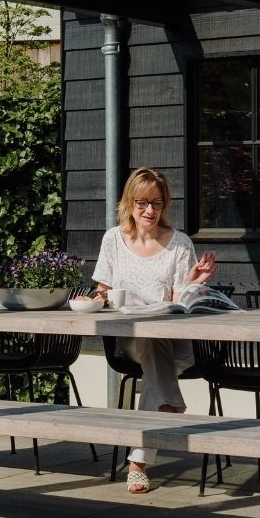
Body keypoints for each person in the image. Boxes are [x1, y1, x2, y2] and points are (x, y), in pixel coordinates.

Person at [92, 167, 216, 494]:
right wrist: (99, 298)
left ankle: (151, 438)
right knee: (149, 340)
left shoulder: (179, 244)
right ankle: (160, 422)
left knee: (157, 342)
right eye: (143, 202)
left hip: (174, 343)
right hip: (130, 339)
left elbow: (178, 304)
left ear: (165, 205)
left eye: (157, 203)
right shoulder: (113, 240)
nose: (150, 211)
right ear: (129, 202)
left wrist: (191, 284)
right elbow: (101, 291)